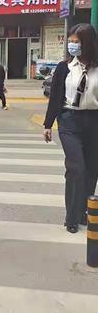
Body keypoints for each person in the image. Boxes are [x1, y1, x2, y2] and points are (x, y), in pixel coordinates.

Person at [44, 24, 98, 233]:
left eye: (77, 41)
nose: (72, 45)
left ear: (88, 43)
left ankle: (85, 211)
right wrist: (48, 124)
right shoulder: (63, 67)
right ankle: (72, 217)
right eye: (71, 41)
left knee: (92, 169)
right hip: (69, 120)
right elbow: (55, 97)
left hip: (94, 120)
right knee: (76, 168)